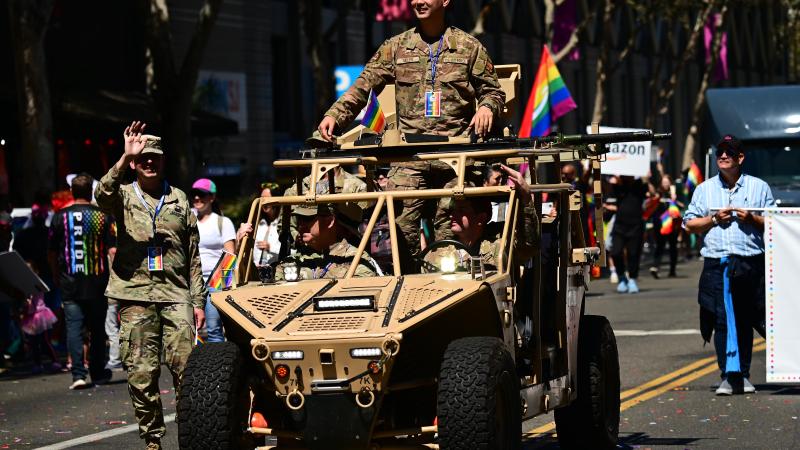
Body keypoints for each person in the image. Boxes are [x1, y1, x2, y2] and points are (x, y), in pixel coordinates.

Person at [317, 0, 506, 261]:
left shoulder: (468, 47)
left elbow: (494, 92)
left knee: (451, 229)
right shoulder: (395, 47)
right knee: (397, 228)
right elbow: (364, 85)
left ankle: (449, 285)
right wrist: (334, 116)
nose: (418, 1)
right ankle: (407, 287)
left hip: (455, 156)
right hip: (409, 157)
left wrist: (486, 108)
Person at [95, 121, 206, 450]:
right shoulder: (124, 196)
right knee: (141, 375)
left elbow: (193, 255)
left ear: (163, 160)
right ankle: (153, 440)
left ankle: (191, 435)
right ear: (134, 162)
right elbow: (101, 195)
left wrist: (198, 301)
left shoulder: (180, 199)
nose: (149, 161)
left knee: (187, 371)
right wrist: (121, 158)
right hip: (135, 296)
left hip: (176, 296)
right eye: (142, 157)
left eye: (154, 156)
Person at [684, 135, 774, 396]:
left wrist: (752, 219)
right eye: (720, 152)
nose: (723, 156)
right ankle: (728, 376)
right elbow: (689, 223)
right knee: (721, 320)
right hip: (717, 264)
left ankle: (743, 374)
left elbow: (774, 224)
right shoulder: (704, 189)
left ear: (740, 158)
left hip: (750, 263)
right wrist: (713, 219)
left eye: (729, 152)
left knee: (746, 319)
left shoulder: (759, 187)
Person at [48, 173, 116, 388]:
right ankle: (97, 372)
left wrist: (55, 275)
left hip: (70, 282)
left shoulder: (60, 216)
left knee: (74, 328)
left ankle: (78, 374)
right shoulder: (104, 216)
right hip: (97, 283)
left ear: (72, 192)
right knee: (97, 330)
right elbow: (112, 249)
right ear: (91, 192)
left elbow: (51, 251)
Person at [423, 165, 537, 272]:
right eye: (453, 210)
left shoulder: (499, 248)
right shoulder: (438, 253)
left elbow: (527, 247)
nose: (453, 215)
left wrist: (526, 197)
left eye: (461, 210)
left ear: (481, 218)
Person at [274, 203, 378, 281]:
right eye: (299, 219)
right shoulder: (290, 263)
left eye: (308, 218)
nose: (301, 224)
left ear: (330, 221)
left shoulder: (357, 260)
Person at [191, 178, 236, 343]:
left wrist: (223, 287)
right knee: (188, 331)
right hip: (190, 282)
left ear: (212, 198)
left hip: (214, 283)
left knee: (214, 330)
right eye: (194, 195)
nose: (197, 199)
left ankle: (217, 367)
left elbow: (230, 255)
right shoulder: (187, 218)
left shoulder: (222, 222)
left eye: (201, 195)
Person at [607, 176, 649, 294]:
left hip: (635, 226)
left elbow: (652, 191)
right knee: (615, 252)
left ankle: (632, 279)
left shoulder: (640, 185)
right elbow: (607, 188)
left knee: (633, 253)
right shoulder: (619, 186)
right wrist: (615, 179)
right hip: (620, 226)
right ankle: (621, 277)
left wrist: (647, 178)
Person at [20, 263, 60, 374]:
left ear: (36, 271)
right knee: (33, 342)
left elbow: (44, 289)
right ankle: (37, 364)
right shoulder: (24, 284)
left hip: (40, 314)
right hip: (31, 316)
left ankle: (55, 360)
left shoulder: (37, 282)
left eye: (30, 270)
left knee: (45, 340)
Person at [649, 174, 683, 279]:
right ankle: (655, 266)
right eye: (663, 182)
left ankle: (672, 270)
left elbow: (680, 205)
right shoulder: (658, 193)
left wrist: (673, 195)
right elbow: (652, 199)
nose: (665, 184)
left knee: (673, 246)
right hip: (660, 224)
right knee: (660, 245)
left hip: (672, 224)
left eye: (667, 182)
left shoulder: (674, 193)